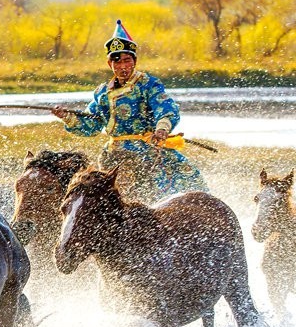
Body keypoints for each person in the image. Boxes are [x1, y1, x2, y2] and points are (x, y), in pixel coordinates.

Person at [50, 20, 207, 202]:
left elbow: (165, 107)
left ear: (134, 61)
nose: (123, 67)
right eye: (117, 62)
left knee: (188, 181)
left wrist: (162, 129)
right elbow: (92, 125)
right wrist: (67, 117)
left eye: (127, 60)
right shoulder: (102, 93)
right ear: (110, 64)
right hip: (113, 156)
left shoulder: (148, 84)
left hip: (148, 151)